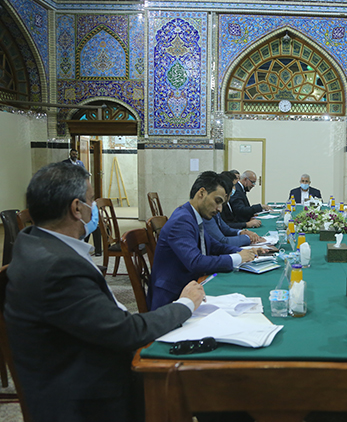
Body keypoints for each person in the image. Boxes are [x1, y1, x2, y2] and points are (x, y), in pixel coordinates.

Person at [4, 162, 205, 422]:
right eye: (91, 200)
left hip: (87, 364)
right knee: (212, 386)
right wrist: (185, 304)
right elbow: (125, 332)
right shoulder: (57, 267)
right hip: (91, 398)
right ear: (77, 208)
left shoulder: (38, 241)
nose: (94, 208)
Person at [149, 172, 263, 310]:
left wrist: (245, 252)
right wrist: (237, 258)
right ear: (201, 193)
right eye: (217, 201)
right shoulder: (182, 220)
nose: (219, 209)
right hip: (173, 298)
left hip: (192, 287)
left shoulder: (193, 215)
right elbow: (196, 262)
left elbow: (215, 246)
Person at [203, 173, 264, 247]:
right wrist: (249, 238)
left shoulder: (213, 207)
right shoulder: (205, 212)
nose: (220, 209)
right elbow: (222, 242)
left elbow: (225, 228)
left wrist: (241, 232)